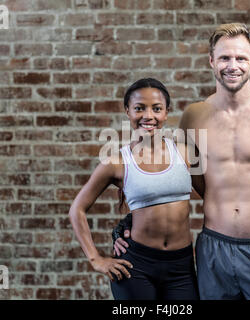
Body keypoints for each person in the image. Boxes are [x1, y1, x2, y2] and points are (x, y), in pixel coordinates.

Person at [113, 23, 250, 300]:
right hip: (213, 249)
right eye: (225, 58)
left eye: (241, 58)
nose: (233, 66)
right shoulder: (194, 116)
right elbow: (178, 176)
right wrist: (134, 220)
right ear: (211, 61)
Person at [69, 78, 201, 300]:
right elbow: (77, 209)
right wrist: (96, 259)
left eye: (156, 109)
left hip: (181, 266)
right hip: (136, 265)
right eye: (139, 108)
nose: (148, 116)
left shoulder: (186, 154)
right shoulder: (117, 162)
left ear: (166, 113)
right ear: (128, 112)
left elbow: (217, 197)